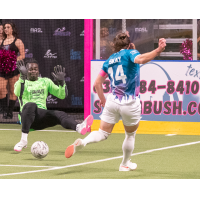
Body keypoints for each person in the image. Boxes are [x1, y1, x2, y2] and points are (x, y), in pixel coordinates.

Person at [65, 33, 166, 171]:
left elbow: (97, 83)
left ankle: (83, 141)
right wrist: (158, 50)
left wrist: (102, 100)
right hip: (130, 102)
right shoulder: (131, 53)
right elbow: (141, 59)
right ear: (129, 45)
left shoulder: (109, 60)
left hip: (112, 101)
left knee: (102, 133)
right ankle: (124, 163)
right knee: (130, 135)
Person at [14, 58, 93, 152]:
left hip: (41, 116)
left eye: (35, 69)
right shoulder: (21, 82)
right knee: (31, 105)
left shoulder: (45, 81)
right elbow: (18, 92)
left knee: (60, 114)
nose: (33, 71)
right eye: (30, 69)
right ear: (25, 71)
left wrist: (61, 82)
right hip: (26, 117)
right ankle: (23, 141)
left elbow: (61, 95)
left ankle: (78, 127)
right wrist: (22, 77)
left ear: (38, 70)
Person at [0, 22, 25, 119]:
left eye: (8, 27)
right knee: (1, 89)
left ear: (12, 29)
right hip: (2, 69)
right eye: (5, 27)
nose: (6, 29)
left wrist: (13, 60)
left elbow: (22, 55)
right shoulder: (1, 41)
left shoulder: (18, 41)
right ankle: (4, 109)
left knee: (13, 91)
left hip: (13, 69)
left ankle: (9, 112)